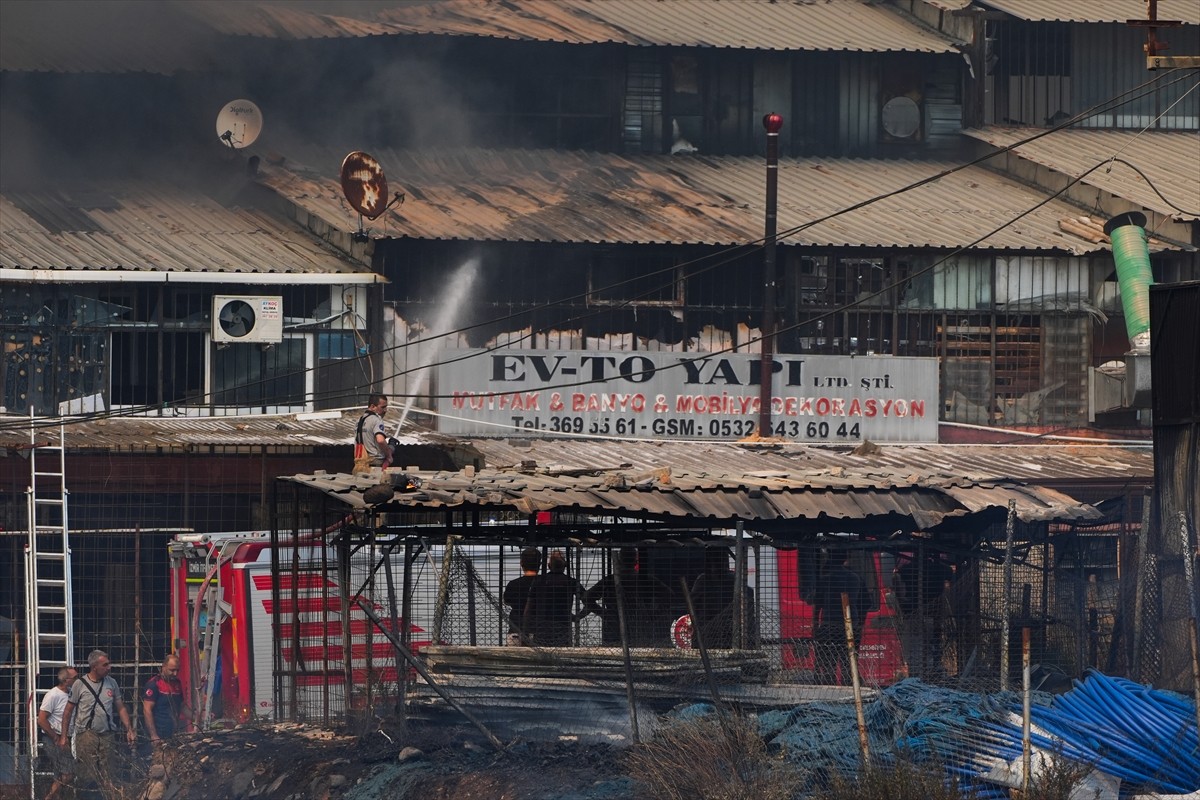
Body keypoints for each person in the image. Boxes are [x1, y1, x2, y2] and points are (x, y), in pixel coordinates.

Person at [60, 650, 136, 797]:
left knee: (108, 774)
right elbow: (68, 711)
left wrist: (129, 729)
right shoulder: (79, 684)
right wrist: (64, 736)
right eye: (105, 665)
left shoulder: (112, 683)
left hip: (107, 734)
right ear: (94, 667)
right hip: (87, 734)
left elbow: (120, 707)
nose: (109, 667)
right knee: (87, 775)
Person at [579, 547, 673, 647]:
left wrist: (603, 613)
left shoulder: (609, 581)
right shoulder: (645, 579)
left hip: (614, 624)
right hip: (638, 625)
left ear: (619, 561)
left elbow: (586, 597)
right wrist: (654, 614)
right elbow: (669, 595)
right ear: (636, 561)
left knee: (613, 654)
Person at [891, 552, 953, 677]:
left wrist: (903, 605)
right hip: (933, 613)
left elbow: (897, 583)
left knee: (915, 645)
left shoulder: (907, 569)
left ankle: (917, 673)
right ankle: (932, 672)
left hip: (913, 612)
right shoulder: (939, 568)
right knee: (933, 643)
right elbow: (950, 575)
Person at [812, 553, 870, 685]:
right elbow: (865, 604)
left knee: (828, 663)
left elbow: (817, 605)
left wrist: (815, 625)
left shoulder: (826, 580)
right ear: (845, 560)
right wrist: (859, 624)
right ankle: (850, 689)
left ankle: (829, 690)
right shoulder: (856, 578)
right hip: (851, 626)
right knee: (849, 662)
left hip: (829, 626)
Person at [689, 548, 753, 649]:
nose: (717, 567)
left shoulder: (732, 579)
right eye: (715, 563)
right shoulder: (703, 581)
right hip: (708, 632)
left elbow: (748, 594)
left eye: (719, 562)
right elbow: (692, 604)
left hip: (727, 632)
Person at [525, 550, 583, 647]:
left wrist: (526, 631)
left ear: (548, 566)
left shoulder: (539, 581)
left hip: (542, 630)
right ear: (565, 565)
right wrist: (578, 616)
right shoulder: (570, 582)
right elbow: (588, 600)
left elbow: (528, 609)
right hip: (563, 629)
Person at [37, 666, 77, 800]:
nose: (78, 680)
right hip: (55, 738)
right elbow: (42, 719)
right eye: (74, 678)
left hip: (65, 737)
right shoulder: (53, 695)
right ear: (66, 681)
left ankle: (55, 797)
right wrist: (56, 738)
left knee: (59, 773)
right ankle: (48, 797)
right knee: (68, 773)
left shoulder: (71, 693)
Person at [142, 655, 184, 747]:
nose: (175, 674)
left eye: (177, 670)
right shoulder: (154, 684)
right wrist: (154, 735)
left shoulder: (177, 684)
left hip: (173, 732)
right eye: (172, 670)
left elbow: (182, 706)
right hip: (158, 733)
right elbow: (147, 710)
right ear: (163, 667)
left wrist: (196, 716)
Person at [502, 548, 541, 645]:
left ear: (521, 563)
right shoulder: (543, 583)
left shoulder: (513, 584)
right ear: (539, 564)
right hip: (538, 631)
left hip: (516, 628)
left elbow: (506, 601)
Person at [356, 394, 393, 470]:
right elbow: (380, 440)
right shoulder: (376, 420)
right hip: (375, 462)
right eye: (383, 407)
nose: (385, 410)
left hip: (360, 463)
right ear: (373, 407)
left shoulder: (359, 421)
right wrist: (389, 455)